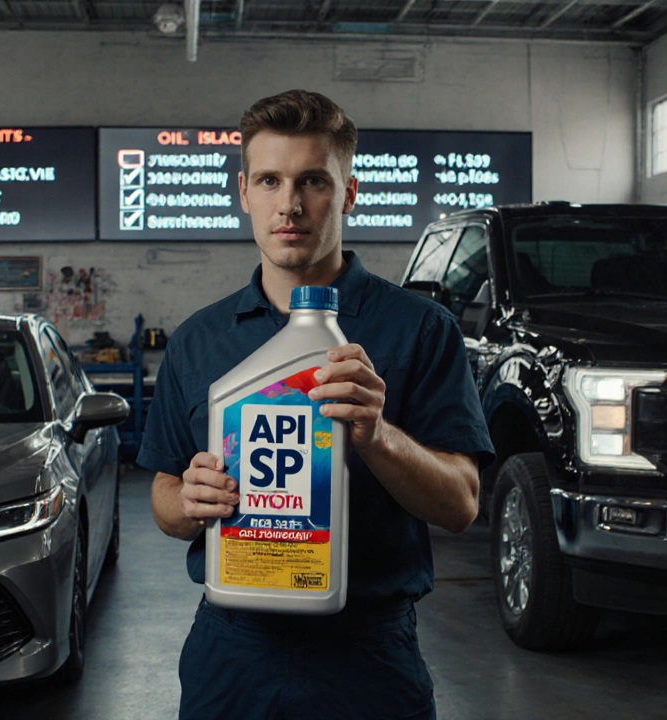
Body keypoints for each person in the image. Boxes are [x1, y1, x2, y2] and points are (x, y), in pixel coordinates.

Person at [138, 89, 495, 720]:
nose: (291, 204)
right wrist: (188, 502)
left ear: (348, 193)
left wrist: (378, 435)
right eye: (271, 180)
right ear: (244, 192)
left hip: (367, 657)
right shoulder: (199, 339)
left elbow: (462, 504)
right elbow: (165, 496)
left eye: (314, 181)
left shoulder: (419, 330)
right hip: (232, 656)